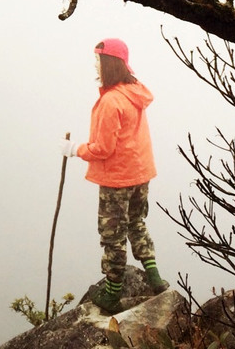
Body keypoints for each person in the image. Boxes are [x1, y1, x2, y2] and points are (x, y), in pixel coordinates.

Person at [60, 38, 169, 313]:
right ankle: (155, 278)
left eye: (98, 59)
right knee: (137, 223)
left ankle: (112, 293)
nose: (95, 64)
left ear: (108, 64)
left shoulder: (111, 101)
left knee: (112, 235)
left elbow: (103, 148)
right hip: (140, 173)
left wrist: (74, 150)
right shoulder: (134, 91)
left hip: (117, 178)